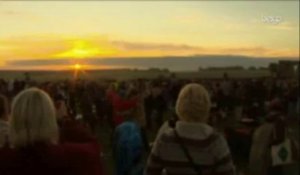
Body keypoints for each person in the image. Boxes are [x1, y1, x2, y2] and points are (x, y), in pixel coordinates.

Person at [0, 88, 104, 175]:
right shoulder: (71, 157)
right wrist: (66, 120)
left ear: (14, 120)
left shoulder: (5, 159)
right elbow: (93, 147)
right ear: (51, 118)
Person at [145, 83, 235, 175]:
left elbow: (150, 172)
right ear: (206, 107)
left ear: (179, 106)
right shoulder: (215, 141)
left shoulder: (165, 139)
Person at [249, 98, 299, 175]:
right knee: (276, 169)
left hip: (269, 152)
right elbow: (280, 137)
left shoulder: (268, 119)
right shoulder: (280, 119)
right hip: (277, 152)